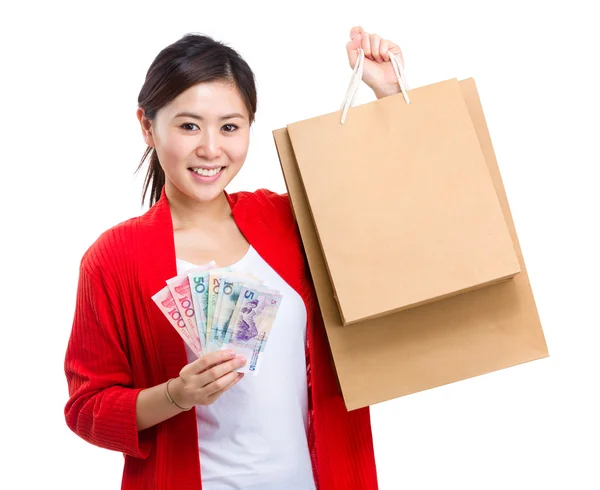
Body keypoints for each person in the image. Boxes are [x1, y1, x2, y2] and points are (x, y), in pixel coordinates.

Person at [64, 25, 404, 490]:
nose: (210, 148)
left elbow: (395, 215)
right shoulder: (113, 259)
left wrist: (387, 95)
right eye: (188, 125)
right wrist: (177, 394)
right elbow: (87, 408)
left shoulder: (286, 220)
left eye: (229, 126)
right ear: (147, 126)